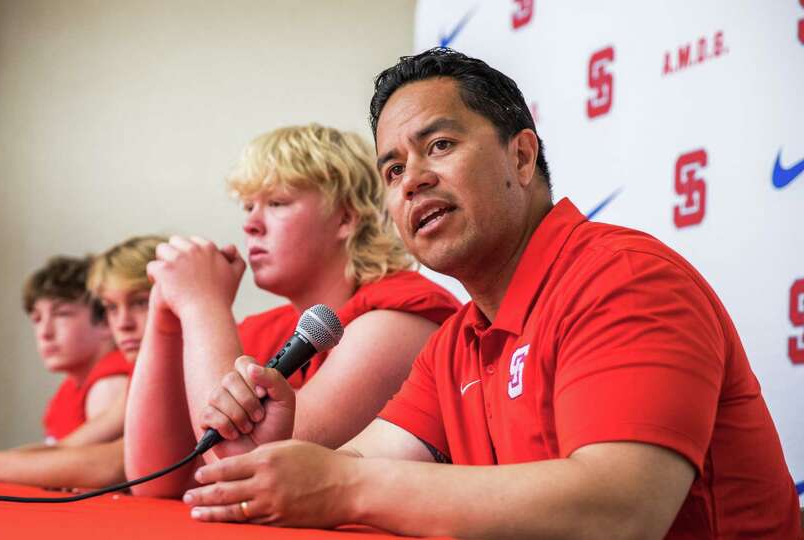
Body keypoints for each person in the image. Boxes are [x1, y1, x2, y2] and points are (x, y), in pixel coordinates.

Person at [180, 49, 802, 539]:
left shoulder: (624, 277)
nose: (413, 180)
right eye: (393, 170)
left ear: (523, 155)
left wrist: (339, 486)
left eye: (440, 146)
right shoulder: (457, 341)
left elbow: (622, 509)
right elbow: (366, 464)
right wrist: (271, 459)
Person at [125, 124, 461, 497]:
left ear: (346, 218)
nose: (250, 224)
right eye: (249, 206)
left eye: (277, 203)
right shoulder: (269, 329)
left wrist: (200, 305)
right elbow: (153, 477)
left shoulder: (398, 321)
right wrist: (165, 316)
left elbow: (250, 462)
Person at [0, 237, 165, 488]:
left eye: (140, 302)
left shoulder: (115, 381)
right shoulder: (139, 376)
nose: (122, 323)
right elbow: (67, 448)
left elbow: (117, 465)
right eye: (111, 307)